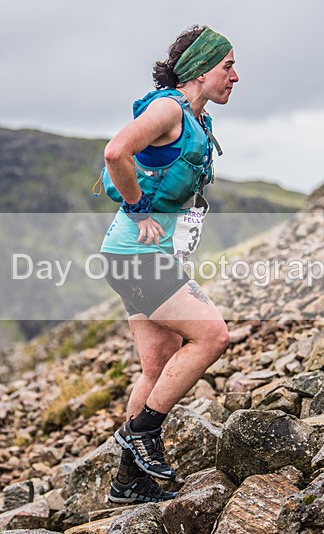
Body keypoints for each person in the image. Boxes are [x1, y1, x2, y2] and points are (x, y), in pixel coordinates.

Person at [96, 25, 238, 504]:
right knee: (213, 335)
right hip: (136, 256)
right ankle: (144, 432)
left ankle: (125, 483)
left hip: (145, 257)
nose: (235, 77)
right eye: (228, 66)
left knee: (156, 366)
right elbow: (116, 152)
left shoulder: (198, 120)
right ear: (199, 70)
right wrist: (137, 208)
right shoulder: (167, 108)